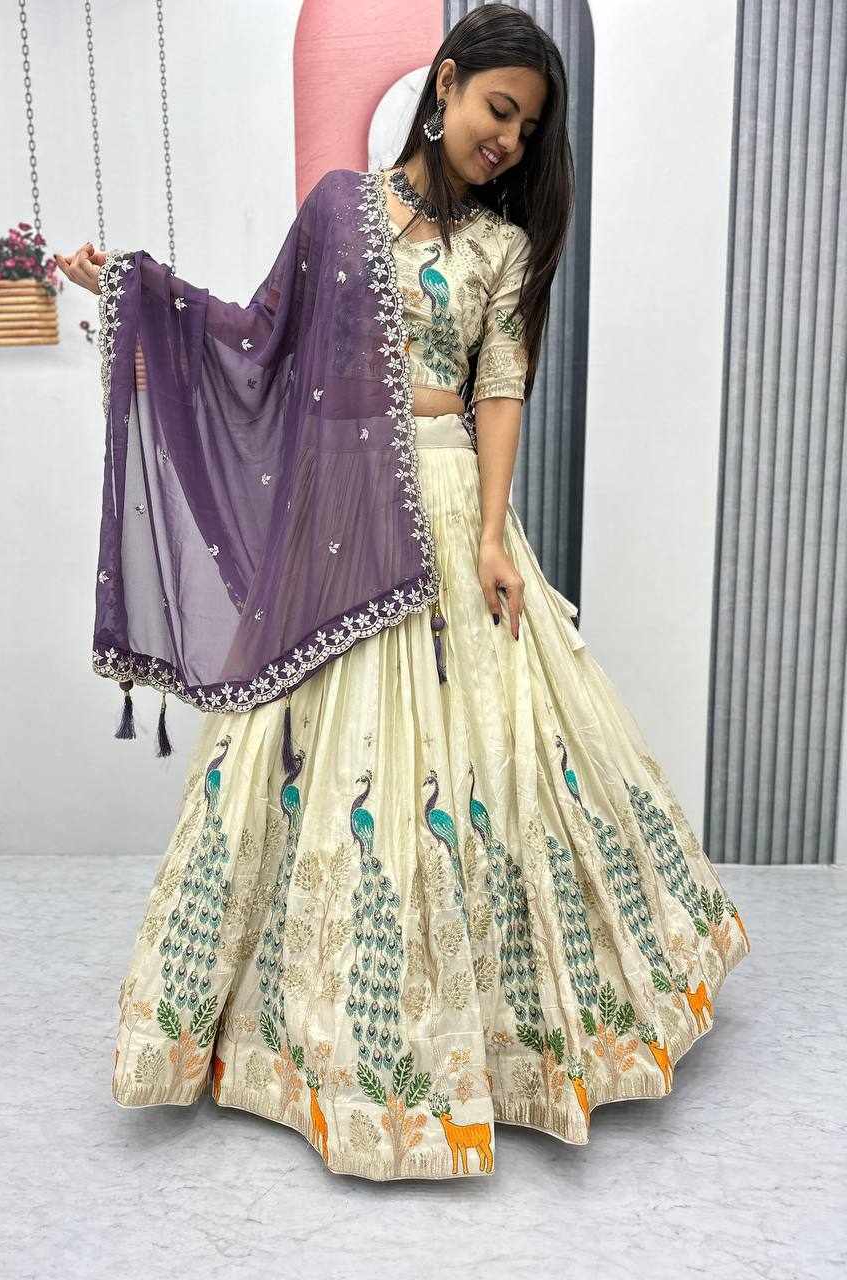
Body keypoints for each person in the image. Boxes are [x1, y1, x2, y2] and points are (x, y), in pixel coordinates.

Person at [57, 5, 751, 1183]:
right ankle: (292, 1041)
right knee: (304, 763)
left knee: (502, 757)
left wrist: (492, 535)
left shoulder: (501, 248)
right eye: (498, 110)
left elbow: (500, 389)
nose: (507, 140)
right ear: (446, 85)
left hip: (448, 506)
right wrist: (134, 291)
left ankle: (508, 1037)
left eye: (526, 130)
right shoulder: (341, 208)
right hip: (341, 514)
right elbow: (256, 336)